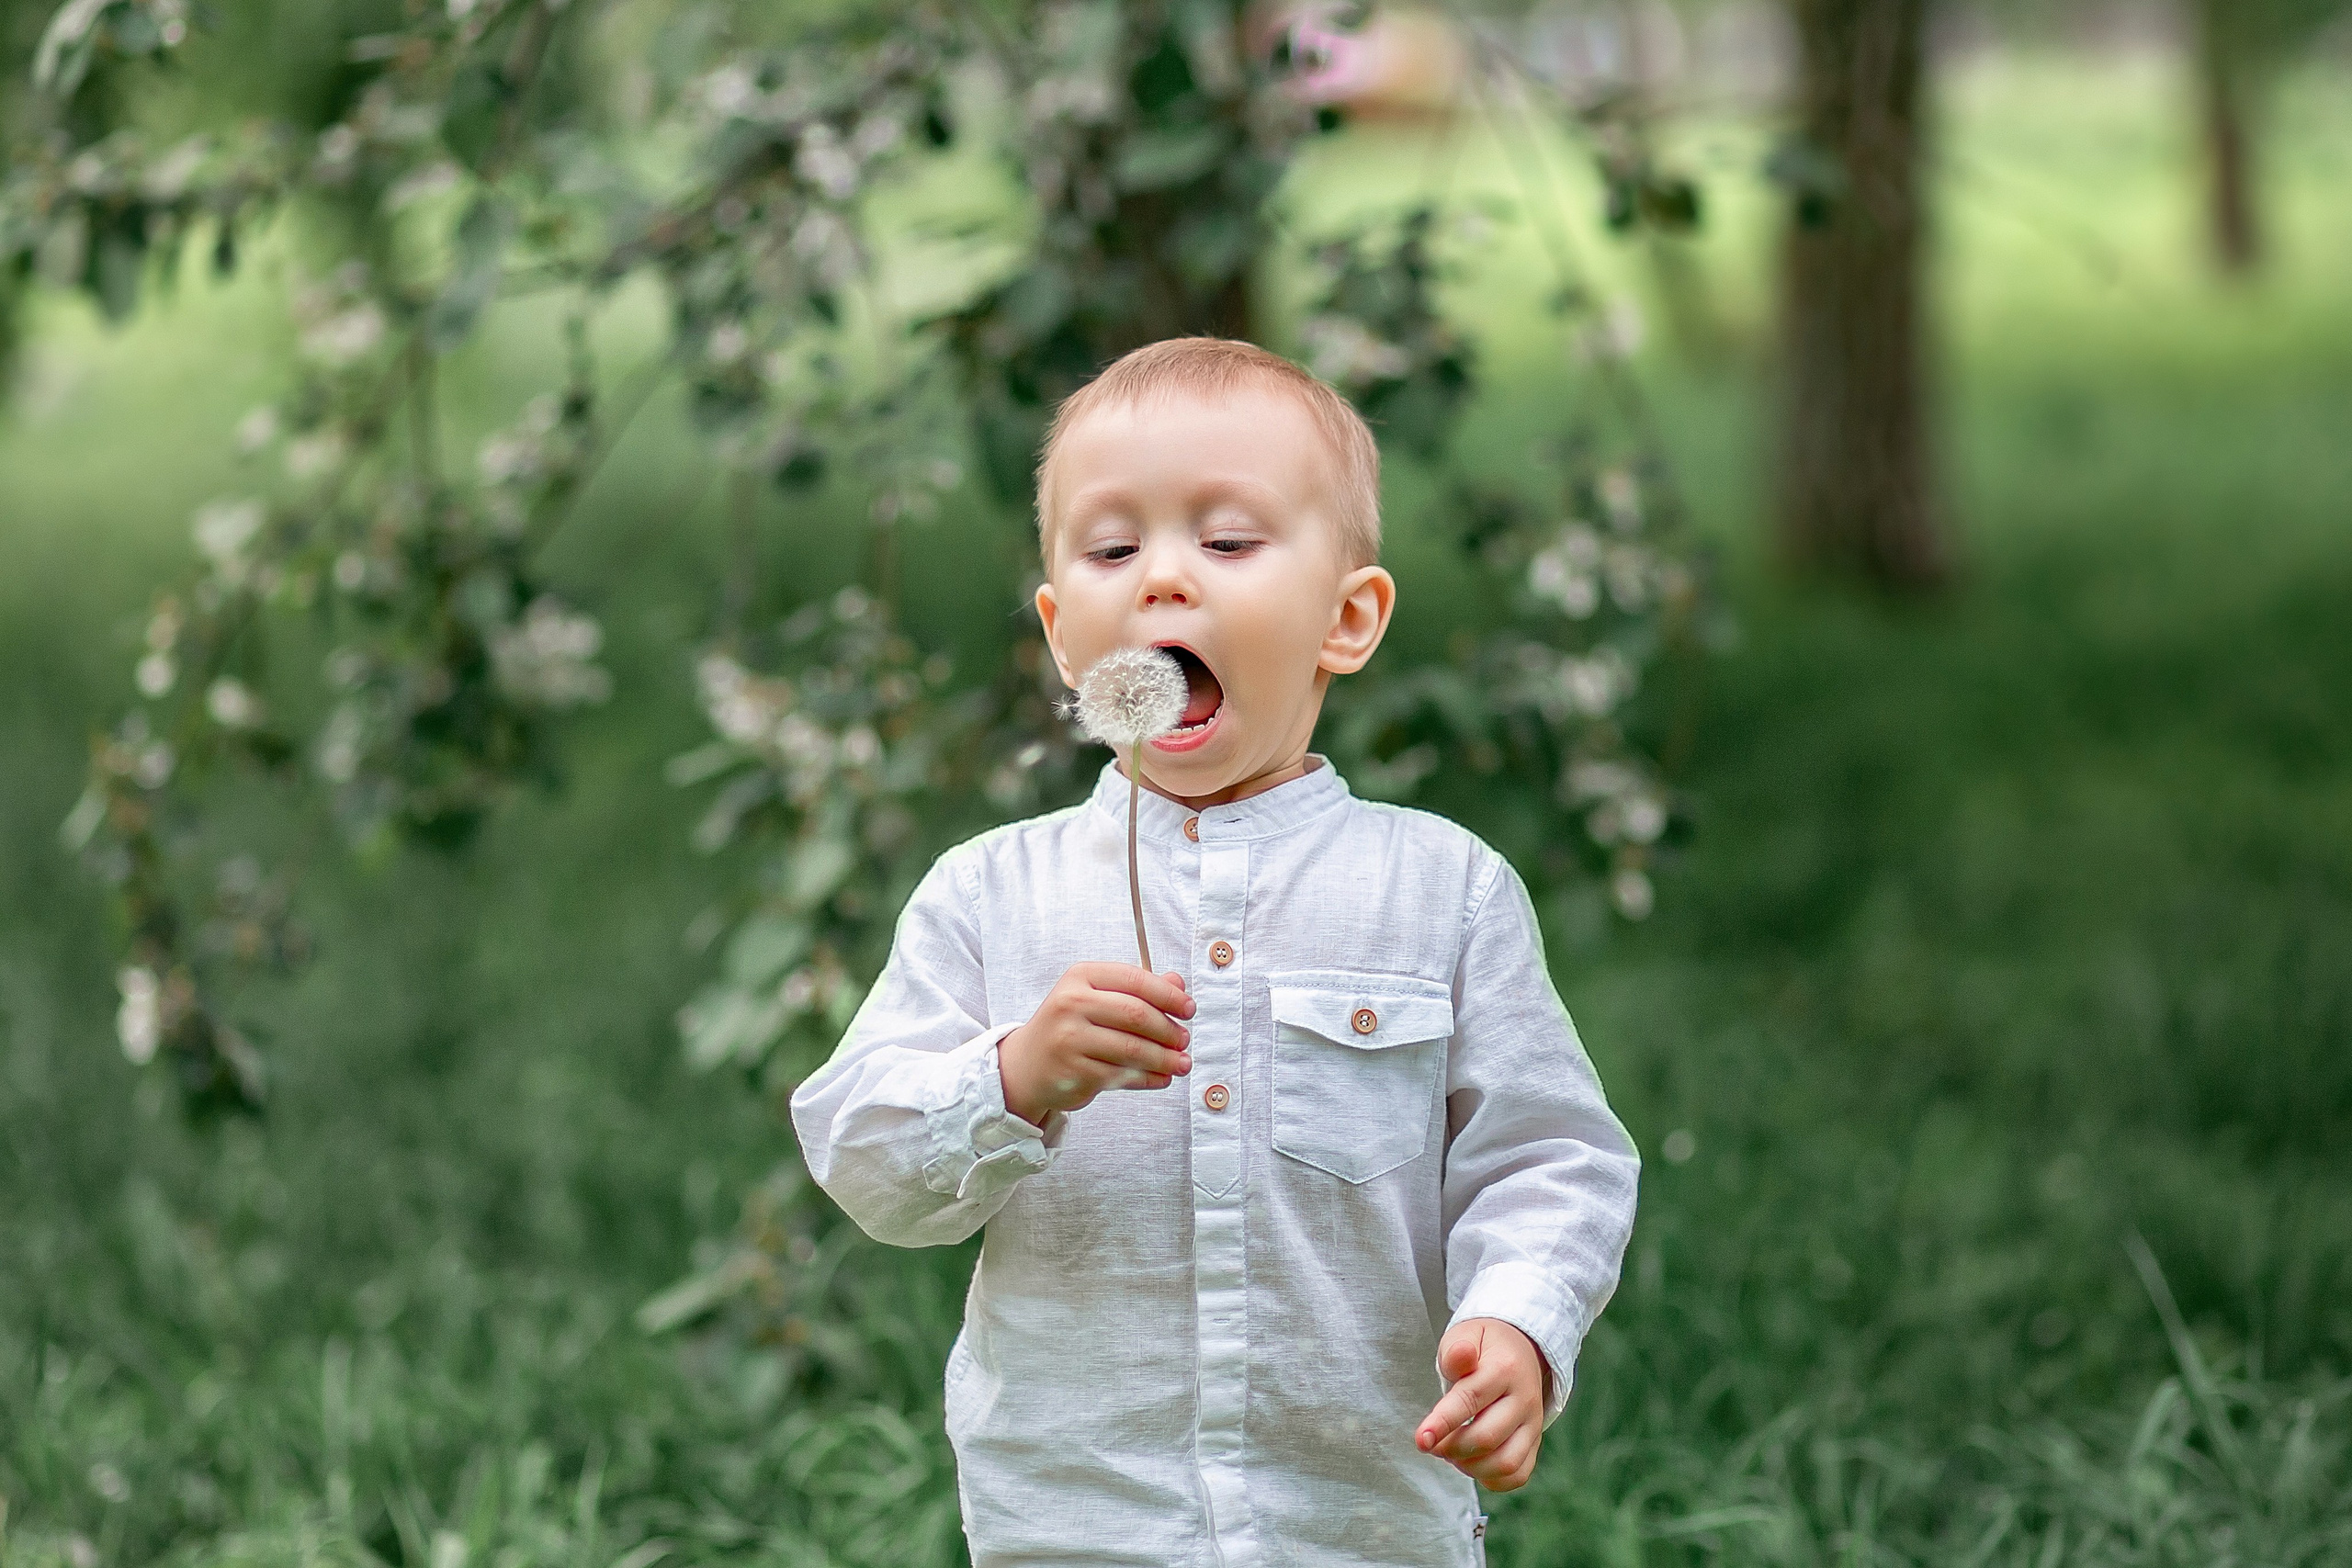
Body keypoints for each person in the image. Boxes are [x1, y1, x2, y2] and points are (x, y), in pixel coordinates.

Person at [789, 337, 1640, 1567]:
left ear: (1348, 619)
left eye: (1229, 542)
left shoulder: (1441, 891)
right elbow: (861, 1155)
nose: (1162, 580)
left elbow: (1548, 1154)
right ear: (1063, 637)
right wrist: (1013, 1078)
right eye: (1111, 550)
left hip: (1358, 1517)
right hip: (1075, 1515)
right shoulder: (989, 895)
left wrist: (1519, 1323)